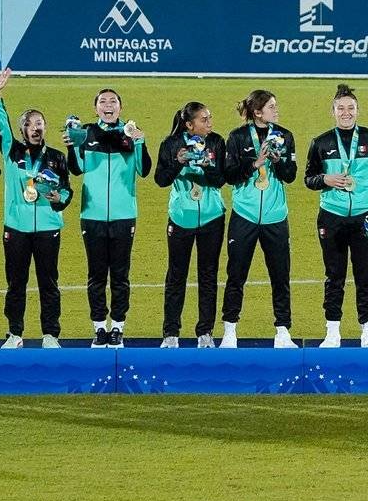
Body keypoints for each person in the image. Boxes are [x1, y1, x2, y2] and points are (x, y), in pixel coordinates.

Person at [0, 69, 72, 349]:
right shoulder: (12, 151)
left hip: (49, 228)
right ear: (22, 129)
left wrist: (55, 198)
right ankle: (15, 334)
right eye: (30, 124)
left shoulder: (57, 158)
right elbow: (2, 126)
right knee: (16, 284)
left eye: (40, 123)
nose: (36, 127)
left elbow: (66, 192)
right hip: (17, 228)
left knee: (49, 284)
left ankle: (50, 334)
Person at [305, 85, 368, 348]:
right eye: (340, 108)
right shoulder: (320, 143)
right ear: (332, 111)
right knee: (334, 275)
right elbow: (308, 179)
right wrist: (325, 179)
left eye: (350, 108)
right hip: (332, 217)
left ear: (357, 110)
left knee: (365, 276)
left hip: (365, 218)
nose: (346, 113)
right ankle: (333, 331)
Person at [65, 87, 150, 348]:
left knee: (121, 275)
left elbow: (144, 170)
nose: (108, 104)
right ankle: (99, 328)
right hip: (92, 215)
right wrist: (73, 146)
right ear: (96, 108)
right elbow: (76, 170)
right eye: (103, 101)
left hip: (124, 216)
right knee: (97, 275)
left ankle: (118, 328)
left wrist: (140, 141)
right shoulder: (87, 132)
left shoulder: (130, 132)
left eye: (113, 101)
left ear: (120, 108)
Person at [221, 90, 299, 348]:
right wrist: (255, 164)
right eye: (271, 106)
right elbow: (229, 176)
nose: (276, 110)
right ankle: (230, 330)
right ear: (257, 112)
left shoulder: (285, 136)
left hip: (276, 217)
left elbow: (290, 176)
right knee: (236, 274)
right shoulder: (237, 137)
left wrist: (278, 161)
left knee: (280, 275)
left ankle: (283, 330)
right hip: (244, 215)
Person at [153, 100, 229, 347]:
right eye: (204, 119)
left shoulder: (216, 141)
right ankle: (171, 333)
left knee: (208, 275)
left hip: (212, 217)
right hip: (181, 217)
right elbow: (161, 180)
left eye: (209, 118)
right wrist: (178, 162)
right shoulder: (171, 144)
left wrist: (208, 166)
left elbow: (221, 181)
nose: (210, 123)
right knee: (176, 275)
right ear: (189, 124)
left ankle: (205, 332)